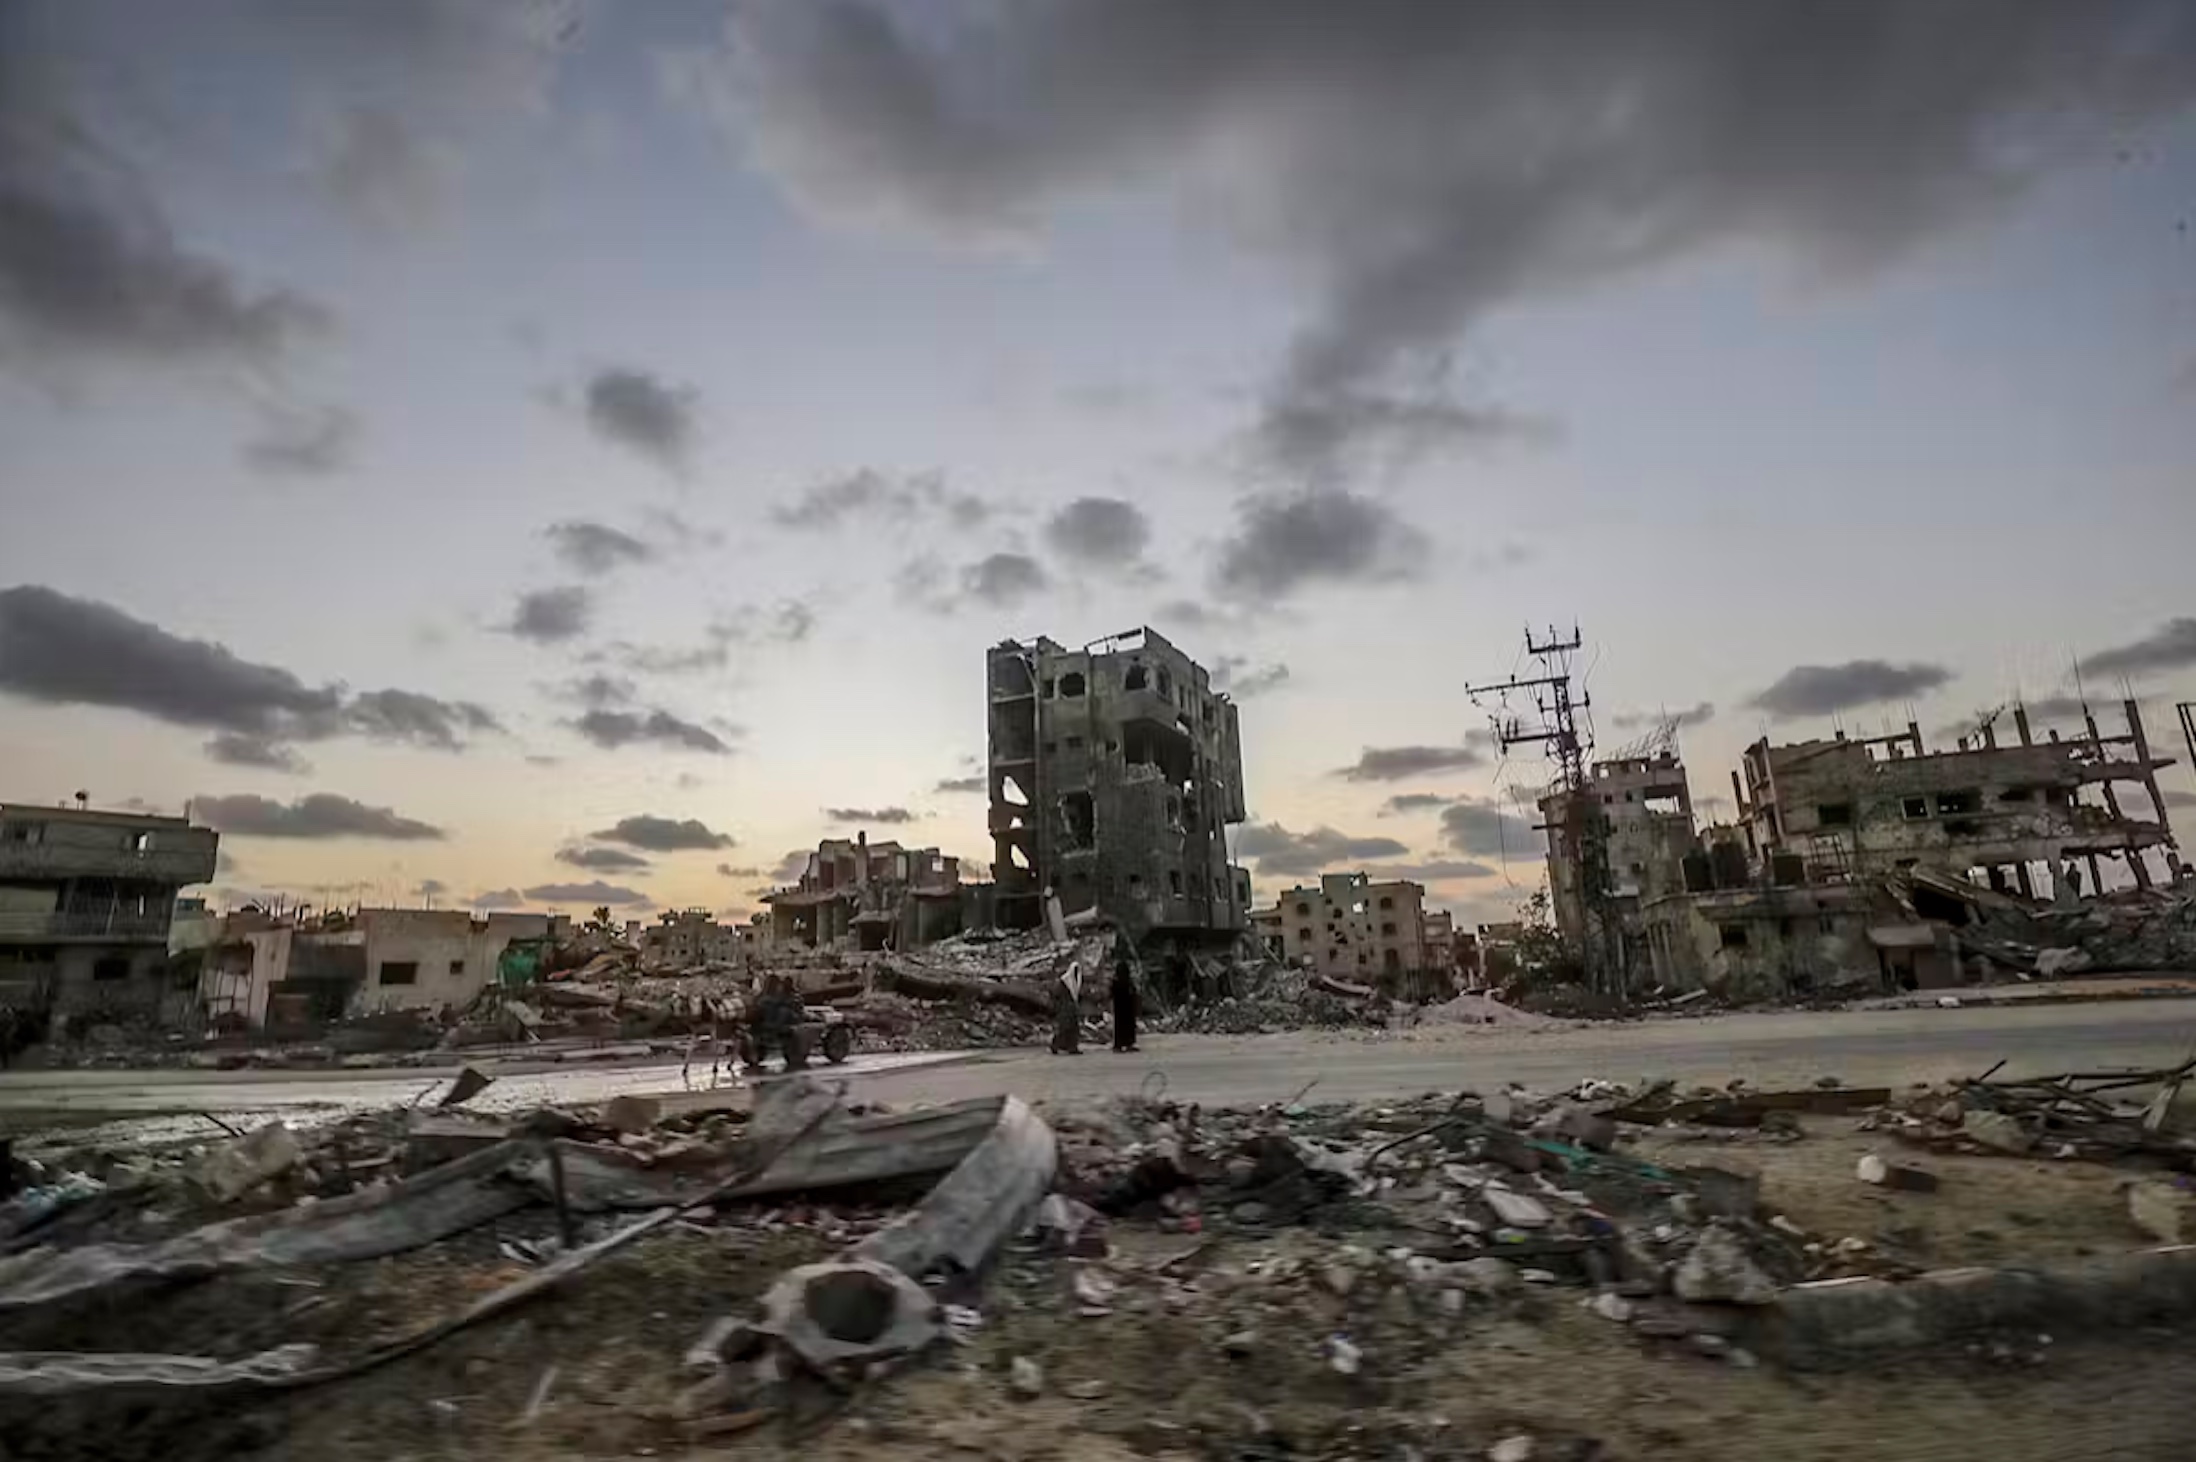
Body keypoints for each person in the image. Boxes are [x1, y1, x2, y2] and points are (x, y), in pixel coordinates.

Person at [1050, 959, 1084, 1054]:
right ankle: (1055, 1046)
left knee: (1073, 1029)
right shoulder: (1064, 981)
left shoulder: (1076, 981)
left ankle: (1072, 1047)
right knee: (1064, 1028)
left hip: (1072, 1009)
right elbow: (1056, 995)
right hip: (1064, 1009)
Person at [1110, 955, 1140, 1053]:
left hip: (1121, 1010)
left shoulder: (1116, 982)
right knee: (1126, 1027)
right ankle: (1126, 1044)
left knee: (1121, 1027)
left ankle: (1122, 1044)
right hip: (1126, 1010)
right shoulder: (1125, 982)